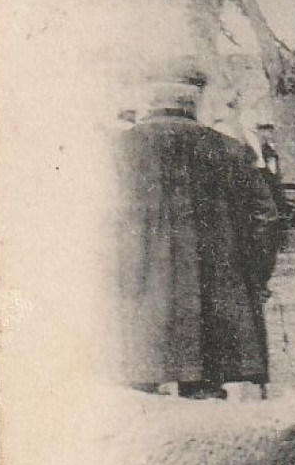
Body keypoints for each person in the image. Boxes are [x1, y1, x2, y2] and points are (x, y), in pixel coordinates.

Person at [114, 61, 282, 399]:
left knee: (134, 405)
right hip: (213, 314)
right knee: (206, 411)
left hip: (137, 302)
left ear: (151, 98)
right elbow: (267, 220)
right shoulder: (230, 151)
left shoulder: (116, 150)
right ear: (196, 101)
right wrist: (253, 279)